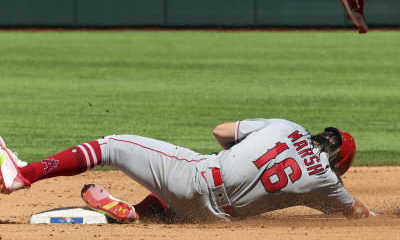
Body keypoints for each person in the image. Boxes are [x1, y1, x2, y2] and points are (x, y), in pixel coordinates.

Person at [0, 119, 372, 222]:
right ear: (340, 164)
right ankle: (138, 212)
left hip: (196, 178)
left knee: (110, 145)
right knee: (188, 198)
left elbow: (221, 131)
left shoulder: (287, 127)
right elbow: (355, 213)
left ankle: (24, 173)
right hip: (212, 219)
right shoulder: (326, 185)